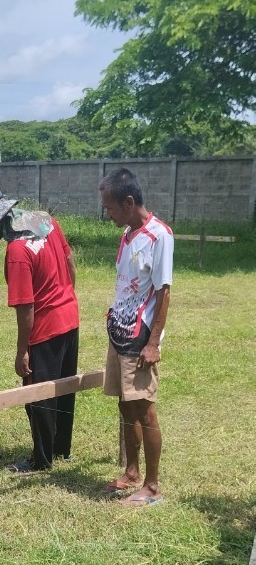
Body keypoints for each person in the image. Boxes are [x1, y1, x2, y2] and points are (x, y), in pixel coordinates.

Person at [0, 183, 79, 474]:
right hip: (70, 317)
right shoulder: (45, 220)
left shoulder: (17, 251)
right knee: (63, 388)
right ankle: (61, 449)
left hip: (45, 328)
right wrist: (67, 297)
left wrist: (22, 352)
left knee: (37, 395)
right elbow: (69, 260)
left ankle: (41, 459)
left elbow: (26, 306)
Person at [99, 168, 174, 505]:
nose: (108, 214)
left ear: (128, 202)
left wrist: (153, 343)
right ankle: (131, 473)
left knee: (144, 410)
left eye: (110, 207)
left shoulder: (160, 236)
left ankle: (152, 486)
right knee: (125, 405)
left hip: (140, 338)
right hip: (120, 333)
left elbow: (163, 292)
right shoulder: (128, 235)